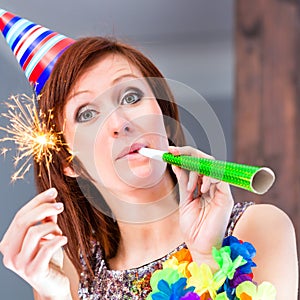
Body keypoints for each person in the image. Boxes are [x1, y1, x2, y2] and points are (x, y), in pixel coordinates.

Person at [0, 36, 298, 300]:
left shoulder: (258, 228)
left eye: (131, 97)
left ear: (162, 114)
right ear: (70, 163)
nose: (120, 123)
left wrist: (208, 256)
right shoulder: (68, 275)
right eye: (87, 113)